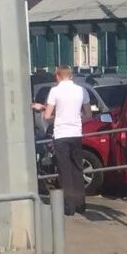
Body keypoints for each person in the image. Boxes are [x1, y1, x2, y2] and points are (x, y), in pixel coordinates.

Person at [31, 66, 92, 215]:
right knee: (77, 168)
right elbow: (88, 114)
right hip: (76, 133)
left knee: (64, 171)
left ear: (58, 76)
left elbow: (47, 116)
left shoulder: (55, 91)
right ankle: (81, 204)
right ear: (70, 76)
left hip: (61, 135)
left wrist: (43, 107)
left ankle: (69, 207)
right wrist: (76, 118)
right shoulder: (81, 90)